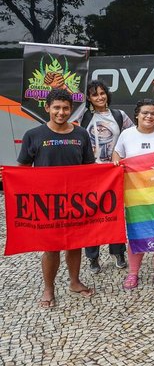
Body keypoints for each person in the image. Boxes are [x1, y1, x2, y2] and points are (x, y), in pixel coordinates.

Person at [16, 88, 96, 308]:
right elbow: (23, 169)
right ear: (47, 108)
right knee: (51, 247)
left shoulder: (81, 135)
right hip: (47, 203)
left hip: (76, 200)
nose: (61, 112)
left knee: (75, 244)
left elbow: (89, 167)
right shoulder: (33, 135)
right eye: (57, 108)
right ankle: (49, 288)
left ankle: (74, 282)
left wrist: (112, 171)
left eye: (66, 108)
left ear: (72, 109)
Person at [112, 99, 154, 289]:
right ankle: (133, 273)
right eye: (145, 113)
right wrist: (117, 163)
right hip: (136, 195)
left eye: (153, 113)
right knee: (137, 234)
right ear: (137, 115)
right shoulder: (127, 134)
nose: (149, 116)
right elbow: (117, 154)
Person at [73, 80, 133, 273]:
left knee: (114, 214)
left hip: (113, 172)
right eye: (94, 94)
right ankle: (93, 257)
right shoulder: (83, 116)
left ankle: (118, 252)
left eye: (102, 93)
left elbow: (131, 136)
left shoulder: (119, 115)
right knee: (92, 215)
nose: (99, 97)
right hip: (90, 172)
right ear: (89, 98)